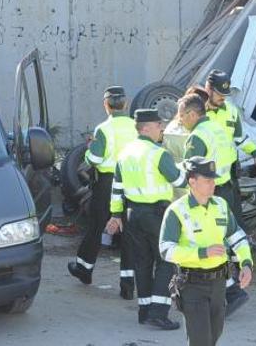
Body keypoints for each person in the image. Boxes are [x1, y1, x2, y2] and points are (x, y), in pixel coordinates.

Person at [160, 156, 253, 346]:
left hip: (219, 283)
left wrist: (246, 263)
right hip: (192, 284)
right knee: (201, 341)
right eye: (208, 180)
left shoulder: (220, 205)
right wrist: (202, 253)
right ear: (192, 182)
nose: (213, 184)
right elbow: (166, 250)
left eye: (214, 179)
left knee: (213, 336)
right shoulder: (176, 210)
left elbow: (238, 237)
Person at [105, 108, 184, 330]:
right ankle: (158, 313)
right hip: (156, 214)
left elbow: (116, 188)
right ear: (146, 128)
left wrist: (115, 215)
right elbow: (178, 181)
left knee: (142, 262)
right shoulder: (158, 153)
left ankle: (144, 311)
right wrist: (188, 169)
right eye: (159, 125)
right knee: (167, 261)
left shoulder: (125, 153)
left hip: (132, 215)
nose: (162, 129)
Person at [178, 92, 250, 314]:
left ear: (191, 114)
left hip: (206, 194)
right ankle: (226, 292)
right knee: (219, 245)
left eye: (181, 115)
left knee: (206, 246)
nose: (180, 120)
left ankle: (230, 293)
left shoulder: (198, 137)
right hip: (224, 189)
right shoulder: (218, 128)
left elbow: (191, 172)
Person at [203, 70, 256, 314]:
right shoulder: (197, 109)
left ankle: (233, 280)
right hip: (204, 185)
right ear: (208, 89)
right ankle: (226, 289)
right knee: (209, 235)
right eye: (219, 93)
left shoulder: (229, 110)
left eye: (225, 94)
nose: (223, 98)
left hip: (227, 182)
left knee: (233, 229)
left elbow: (240, 137)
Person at [68, 86, 138, 300]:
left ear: (106, 105)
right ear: (125, 104)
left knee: (98, 226)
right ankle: (127, 285)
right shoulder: (136, 127)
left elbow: (95, 160)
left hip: (108, 183)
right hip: (132, 182)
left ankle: (84, 269)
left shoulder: (104, 129)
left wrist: (90, 151)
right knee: (129, 233)